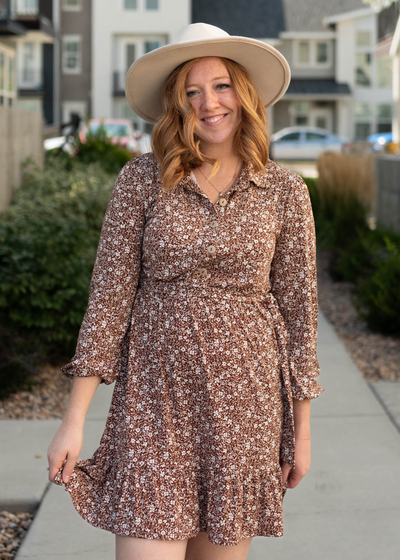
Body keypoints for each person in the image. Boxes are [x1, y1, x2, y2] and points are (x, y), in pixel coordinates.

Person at [47, 23, 324, 560]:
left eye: (220, 86)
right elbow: (108, 303)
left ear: (243, 93)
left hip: (247, 406)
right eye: (191, 92)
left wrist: (302, 432)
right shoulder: (141, 181)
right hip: (156, 404)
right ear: (176, 106)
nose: (208, 103)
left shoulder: (285, 190)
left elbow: (299, 314)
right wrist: (73, 421)